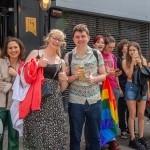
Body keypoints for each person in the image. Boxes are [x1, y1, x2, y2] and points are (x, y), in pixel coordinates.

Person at [22, 29, 68, 149]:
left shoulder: (61, 61)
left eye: (60, 40)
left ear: (62, 43)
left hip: (54, 102)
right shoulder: (35, 53)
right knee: (36, 129)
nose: (57, 41)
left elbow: (62, 88)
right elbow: (23, 76)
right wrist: (37, 64)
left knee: (55, 130)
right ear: (48, 38)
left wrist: (64, 79)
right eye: (54, 38)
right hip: (37, 99)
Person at [64, 24, 106, 150]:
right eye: (77, 37)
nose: (80, 39)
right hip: (75, 101)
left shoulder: (96, 54)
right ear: (73, 39)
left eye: (83, 36)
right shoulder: (68, 56)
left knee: (95, 136)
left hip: (94, 100)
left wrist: (94, 79)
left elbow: (104, 75)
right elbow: (65, 79)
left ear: (88, 37)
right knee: (75, 137)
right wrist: (74, 77)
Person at [122, 42, 150, 150]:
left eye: (134, 50)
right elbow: (129, 75)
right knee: (132, 114)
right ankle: (133, 138)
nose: (132, 52)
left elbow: (146, 76)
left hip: (141, 88)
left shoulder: (142, 59)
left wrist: (140, 64)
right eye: (130, 50)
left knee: (141, 114)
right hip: (130, 88)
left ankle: (141, 136)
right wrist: (133, 63)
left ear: (138, 50)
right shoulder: (125, 61)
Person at [0, 36, 25, 150]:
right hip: (0, 104)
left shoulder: (24, 66)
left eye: (15, 47)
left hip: (16, 105)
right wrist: (12, 86)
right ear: (6, 49)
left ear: (20, 49)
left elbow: (25, 85)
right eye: (10, 48)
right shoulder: (0, 63)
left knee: (13, 136)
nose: (13, 50)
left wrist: (16, 75)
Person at [84, 34, 105, 150]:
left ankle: (95, 143)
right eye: (98, 42)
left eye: (102, 42)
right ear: (93, 43)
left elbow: (103, 74)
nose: (101, 44)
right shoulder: (90, 54)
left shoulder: (100, 55)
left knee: (96, 119)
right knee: (89, 119)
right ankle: (89, 145)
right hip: (88, 90)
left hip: (99, 89)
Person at [101, 35, 121, 150]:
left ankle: (112, 140)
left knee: (113, 114)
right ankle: (103, 139)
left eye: (113, 47)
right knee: (103, 114)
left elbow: (114, 72)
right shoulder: (99, 55)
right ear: (104, 45)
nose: (111, 50)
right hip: (103, 87)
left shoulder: (113, 56)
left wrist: (119, 87)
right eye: (109, 47)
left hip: (113, 86)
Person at [116, 39, 130, 139]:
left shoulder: (130, 59)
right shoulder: (118, 60)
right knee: (122, 109)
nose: (127, 47)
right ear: (121, 48)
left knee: (131, 109)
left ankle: (130, 128)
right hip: (122, 85)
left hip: (131, 87)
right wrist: (119, 88)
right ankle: (123, 129)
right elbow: (116, 75)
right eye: (125, 46)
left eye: (128, 45)